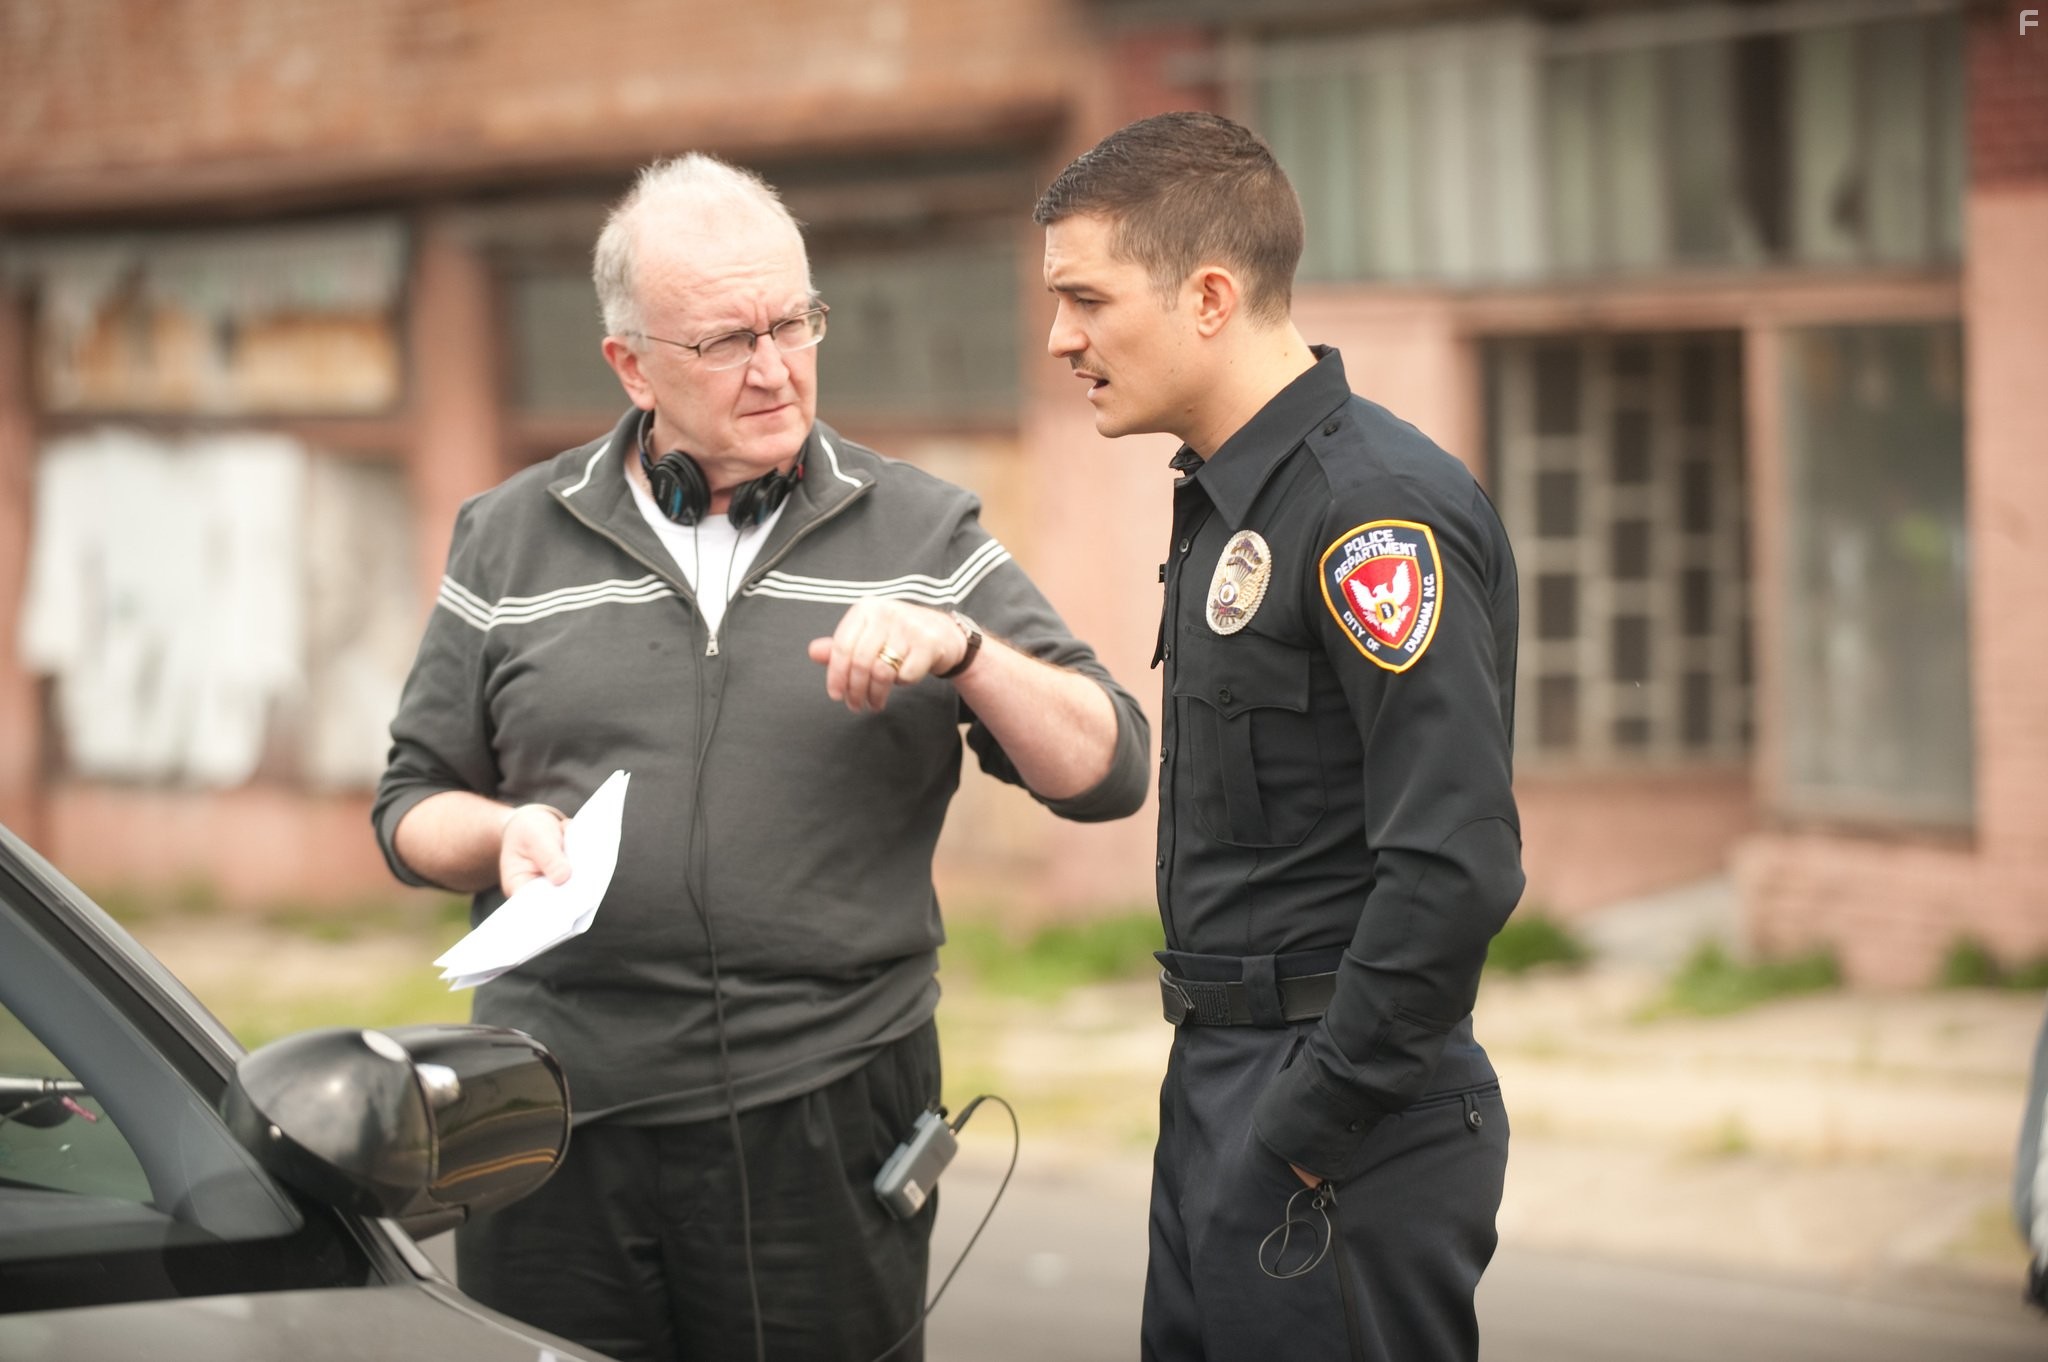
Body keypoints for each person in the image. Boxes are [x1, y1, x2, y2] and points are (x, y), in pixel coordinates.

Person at [374, 153, 1149, 1362]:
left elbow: (1108, 768)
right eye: (728, 338)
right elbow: (409, 805)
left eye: (794, 321)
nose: (776, 366)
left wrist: (962, 649)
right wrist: (498, 834)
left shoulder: (920, 528)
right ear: (629, 363)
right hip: (550, 1120)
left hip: (825, 1118)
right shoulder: (508, 536)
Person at [1035, 111, 1522, 1361]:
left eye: (1086, 300)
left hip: (1336, 1109)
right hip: (1222, 1078)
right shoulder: (1228, 501)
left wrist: (1309, 1124)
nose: (1059, 340)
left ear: (1207, 296)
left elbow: (1453, 861)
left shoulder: (1370, 511)